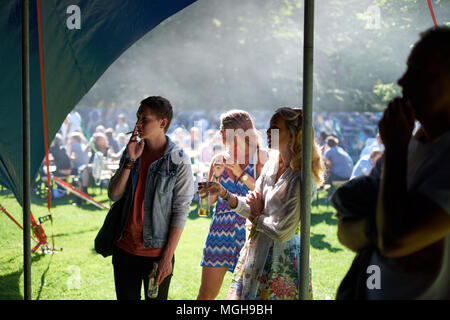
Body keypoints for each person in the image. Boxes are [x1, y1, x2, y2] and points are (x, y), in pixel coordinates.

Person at [336, 26, 450, 299]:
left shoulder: (402, 147)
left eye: (419, 74)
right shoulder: (405, 146)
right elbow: (343, 232)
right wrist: (376, 228)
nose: (402, 82)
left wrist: (396, 149)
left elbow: (395, 238)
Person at [199, 107, 325, 300]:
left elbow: (281, 229)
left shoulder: (295, 174)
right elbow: (209, 207)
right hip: (242, 242)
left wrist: (256, 212)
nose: (267, 131)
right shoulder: (272, 165)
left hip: (278, 258)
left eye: (275, 128)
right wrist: (221, 190)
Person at [107, 96, 194, 300]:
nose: (137, 124)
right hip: (125, 250)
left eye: (144, 118)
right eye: (137, 117)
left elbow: (181, 210)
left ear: (162, 123)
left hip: (156, 256)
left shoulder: (179, 160)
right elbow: (114, 194)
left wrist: (167, 258)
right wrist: (129, 161)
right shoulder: (132, 151)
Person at [196, 110, 267, 300]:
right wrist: (213, 178)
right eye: (221, 130)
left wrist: (239, 172)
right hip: (219, 233)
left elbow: (265, 196)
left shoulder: (261, 157)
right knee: (205, 294)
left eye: (224, 130)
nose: (220, 134)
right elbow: (203, 208)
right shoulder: (218, 159)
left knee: (249, 296)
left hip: (251, 234)